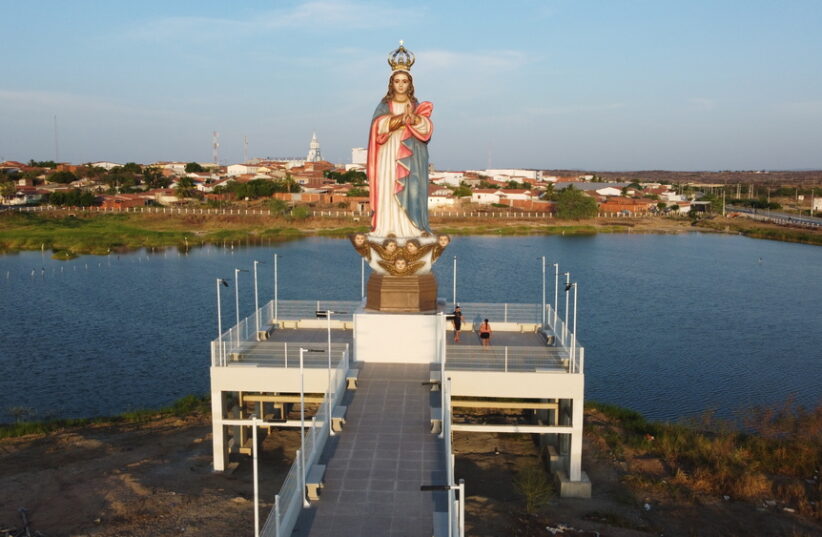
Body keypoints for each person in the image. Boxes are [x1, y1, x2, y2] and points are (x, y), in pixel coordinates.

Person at [367, 47, 433, 238]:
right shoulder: (384, 105)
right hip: (388, 152)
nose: (401, 85)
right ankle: (387, 227)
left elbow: (426, 129)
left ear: (410, 84)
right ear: (391, 83)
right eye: (397, 81)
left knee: (410, 188)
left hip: (410, 154)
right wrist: (401, 119)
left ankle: (411, 226)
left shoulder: (416, 105)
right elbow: (377, 127)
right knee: (388, 186)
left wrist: (416, 120)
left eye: (404, 81)